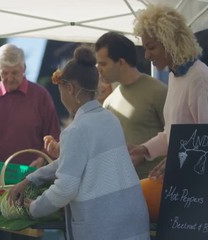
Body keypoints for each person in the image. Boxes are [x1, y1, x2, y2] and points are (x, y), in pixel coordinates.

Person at [8, 46, 150, 240]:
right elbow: (69, 160)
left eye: (61, 92)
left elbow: (65, 189)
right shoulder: (110, 119)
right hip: (132, 218)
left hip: (104, 226)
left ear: (70, 89)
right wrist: (32, 179)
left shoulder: (76, 131)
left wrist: (33, 208)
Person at [0, 43, 61, 239]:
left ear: (24, 69)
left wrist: (43, 158)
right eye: (5, 73)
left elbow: (54, 137)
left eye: (15, 73)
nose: (10, 78)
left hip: (30, 184)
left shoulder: (40, 96)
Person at [129, 4, 208, 179]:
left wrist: (177, 160)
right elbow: (173, 135)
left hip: (202, 184)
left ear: (170, 42)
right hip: (185, 182)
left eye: (151, 47)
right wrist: (144, 150)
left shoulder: (200, 79)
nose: (146, 55)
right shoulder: (175, 76)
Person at [95, 31, 168, 179]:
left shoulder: (158, 91)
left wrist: (145, 152)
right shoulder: (108, 102)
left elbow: (176, 139)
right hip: (120, 190)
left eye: (103, 64)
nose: (99, 69)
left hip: (154, 189)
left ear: (121, 63)